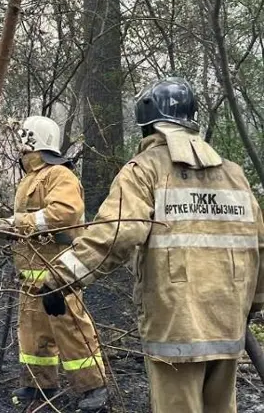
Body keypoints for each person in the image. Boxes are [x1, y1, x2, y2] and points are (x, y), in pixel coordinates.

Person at [40, 77, 264, 413]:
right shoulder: (234, 174)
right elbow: (258, 245)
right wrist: (254, 303)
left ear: (148, 125)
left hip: (177, 327)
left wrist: (59, 279)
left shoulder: (145, 170)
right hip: (228, 322)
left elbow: (116, 234)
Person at [0, 115, 108, 411]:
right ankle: (38, 386)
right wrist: (0, 227)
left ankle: (93, 388)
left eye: (23, 141)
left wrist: (16, 223)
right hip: (30, 277)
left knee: (71, 331)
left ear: (33, 141)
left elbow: (64, 214)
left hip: (58, 274)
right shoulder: (31, 178)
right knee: (33, 335)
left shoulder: (59, 175)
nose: (20, 148)